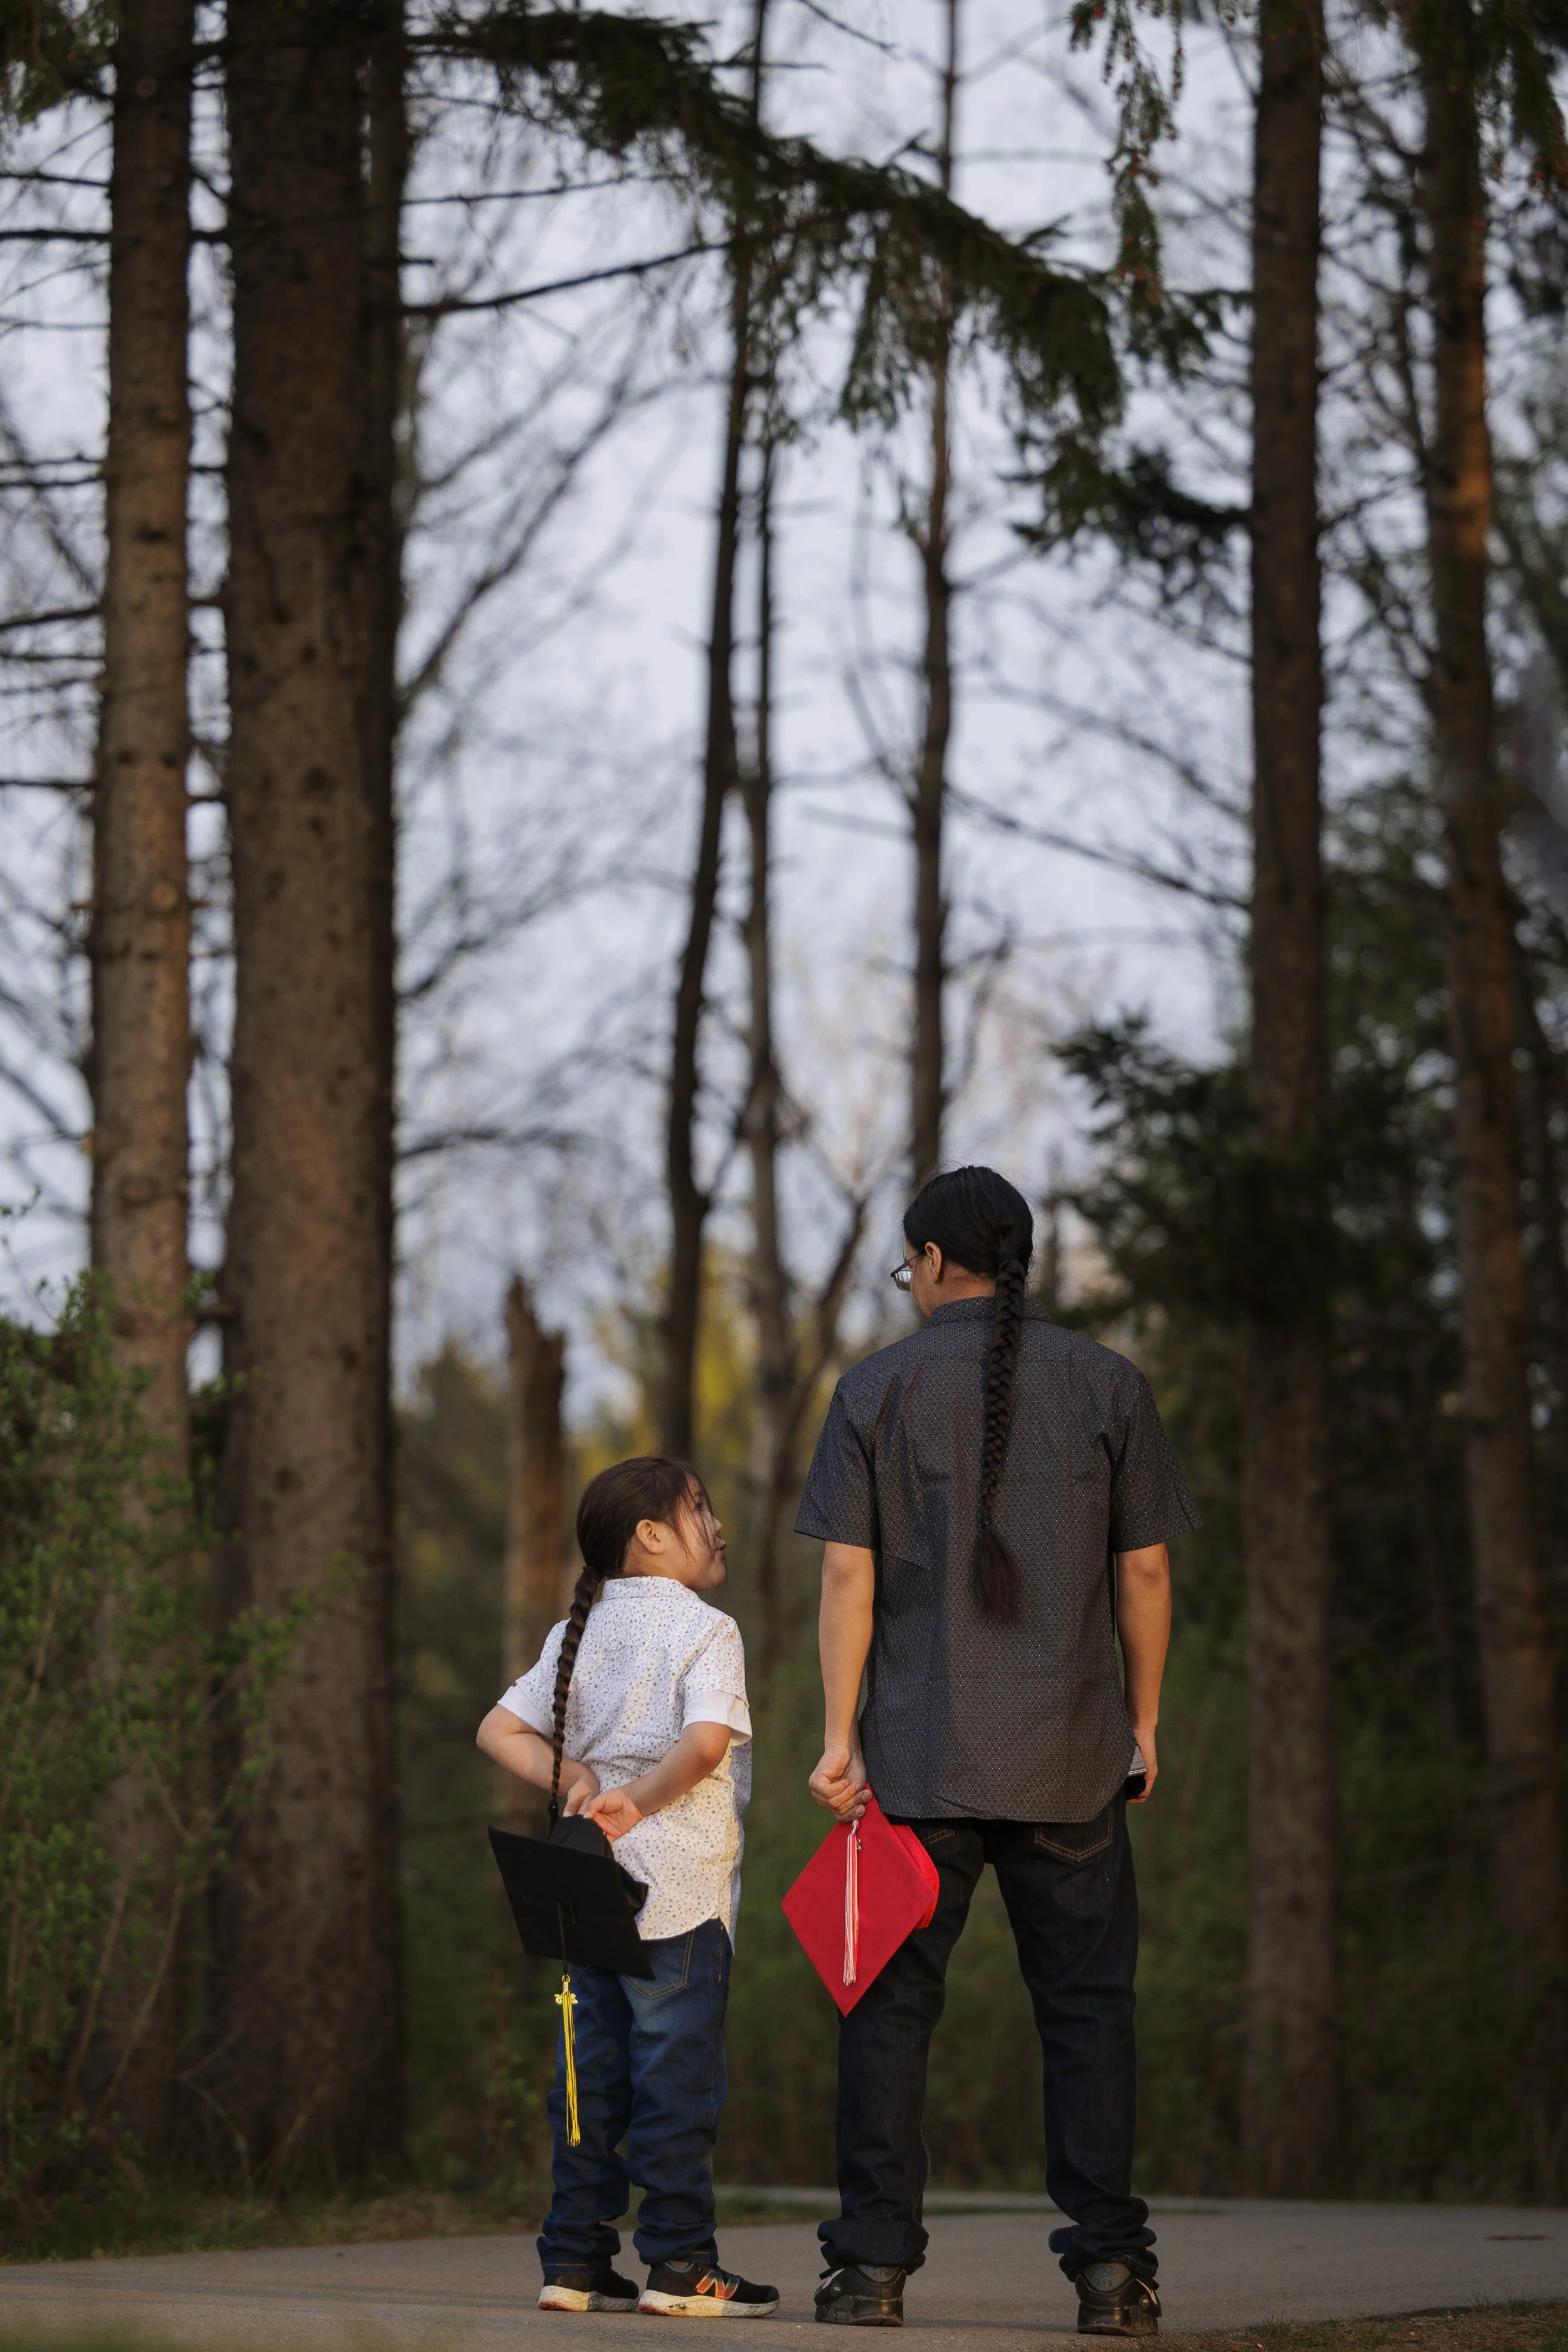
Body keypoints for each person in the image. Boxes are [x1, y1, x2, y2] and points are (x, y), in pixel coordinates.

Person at [797, 1168, 1199, 2341]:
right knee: (1086, 2012)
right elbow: (1147, 1570)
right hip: (1074, 1757)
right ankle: (1113, 2275)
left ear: (929, 1260)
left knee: (885, 2010)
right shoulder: (1109, 1383)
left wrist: (840, 1737)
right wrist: (1145, 1720)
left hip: (917, 1766)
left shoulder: (875, 1388)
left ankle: (869, 2272)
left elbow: (846, 1574)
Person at [477, 1456, 779, 2321]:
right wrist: (635, 1802)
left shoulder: (582, 1631)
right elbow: (708, 1740)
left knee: (590, 2078)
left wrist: (571, 1775)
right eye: (700, 1507)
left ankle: (573, 2259)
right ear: (650, 1535)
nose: (716, 1523)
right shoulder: (705, 1627)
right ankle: (682, 2264)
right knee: (673, 2080)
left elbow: (497, 1728)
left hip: (587, 1895)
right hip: (678, 1899)